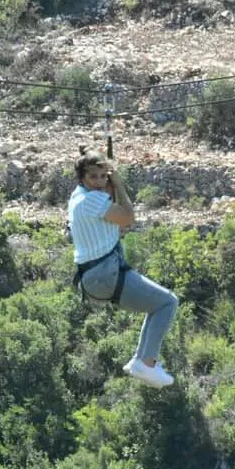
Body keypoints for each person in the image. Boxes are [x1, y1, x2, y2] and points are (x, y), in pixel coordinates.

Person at [68, 149, 178, 387]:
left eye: (102, 176)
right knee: (168, 303)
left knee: (156, 305)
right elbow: (128, 217)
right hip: (105, 274)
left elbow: (113, 221)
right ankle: (147, 364)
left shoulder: (77, 197)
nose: (99, 182)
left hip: (96, 277)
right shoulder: (92, 200)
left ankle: (141, 360)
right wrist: (118, 183)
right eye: (93, 177)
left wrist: (109, 186)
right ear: (82, 179)